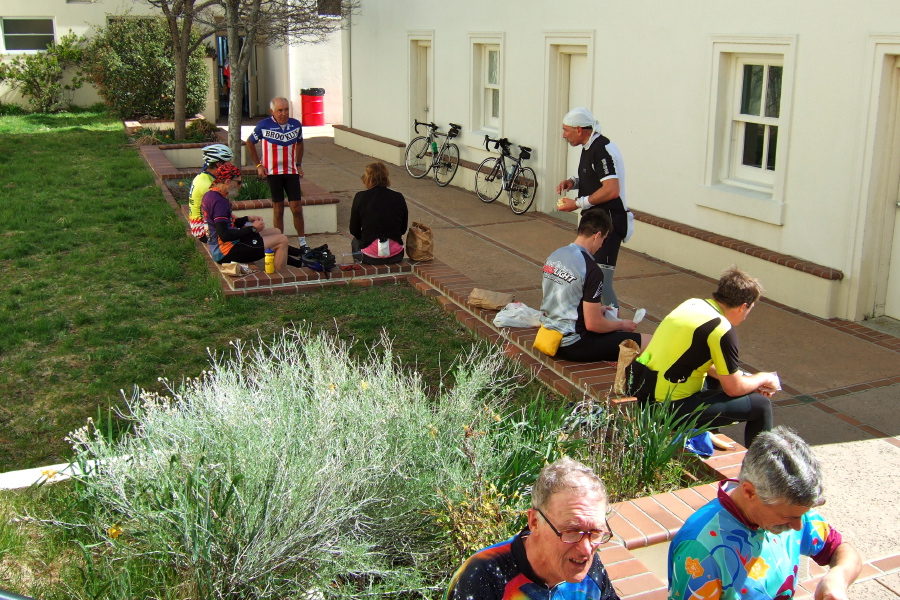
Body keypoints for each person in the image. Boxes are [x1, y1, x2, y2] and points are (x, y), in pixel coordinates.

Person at [668, 426, 861, 600]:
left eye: (802, 515)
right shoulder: (700, 548)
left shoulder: (790, 510)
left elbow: (842, 549)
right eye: (788, 517)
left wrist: (838, 577)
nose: (799, 526)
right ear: (750, 492)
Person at [631, 266, 778, 447]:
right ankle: (760, 471)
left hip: (642, 393)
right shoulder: (722, 329)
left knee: (719, 379)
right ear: (743, 307)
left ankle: (706, 428)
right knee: (761, 405)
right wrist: (762, 378)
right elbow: (734, 389)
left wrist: (748, 383)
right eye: (750, 309)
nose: (747, 316)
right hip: (666, 410)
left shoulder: (692, 304)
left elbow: (700, 361)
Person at [446, 457, 620, 600]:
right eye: (571, 532)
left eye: (595, 533)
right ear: (534, 522)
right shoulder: (483, 576)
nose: (586, 549)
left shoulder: (587, 566)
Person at [540, 210, 650, 362]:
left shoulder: (555, 255)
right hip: (573, 345)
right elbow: (593, 325)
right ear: (597, 235)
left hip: (549, 337)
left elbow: (565, 298)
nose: (601, 246)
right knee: (648, 342)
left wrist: (597, 309)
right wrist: (621, 325)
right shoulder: (591, 269)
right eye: (603, 240)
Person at [555, 107, 630, 313]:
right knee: (589, 278)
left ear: (579, 129)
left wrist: (577, 203)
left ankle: (617, 328)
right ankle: (593, 323)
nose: (563, 135)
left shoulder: (602, 149)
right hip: (594, 222)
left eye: (566, 130)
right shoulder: (589, 147)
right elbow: (595, 179)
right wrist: (574, 182)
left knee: (602, 284)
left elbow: (612, 190)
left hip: (609, 223)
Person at [200, 163, 291, 270]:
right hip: (225, 252)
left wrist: (247, 219)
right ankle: (279, 279)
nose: (240, 185)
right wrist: (253, 229)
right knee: (282, 240)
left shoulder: (210, 194)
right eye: (238, 182)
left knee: (276, 231)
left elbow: (226, 224)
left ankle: (296, 262)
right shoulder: (220, 202)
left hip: (219, 247)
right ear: (228, 182)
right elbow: (224, 235)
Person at [245, 97, 308, 250]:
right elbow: (249, 142)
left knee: (296, 208)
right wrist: (259, 165)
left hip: (291, 171)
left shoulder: (296, 125)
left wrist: (298, 164)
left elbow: (300, 143)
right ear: (272, 111)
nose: (284, 113)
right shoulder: (263, 125)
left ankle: (303, 242)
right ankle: (279, 242)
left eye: (286, 109)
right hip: (273, 173)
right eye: (280, 110)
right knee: (278, 209)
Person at [349, 162, 408, 265]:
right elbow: (403, 229)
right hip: (396, 255)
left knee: (355, 241)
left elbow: (354, 229)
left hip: (369, 257)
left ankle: (362, 269)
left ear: (369, 179)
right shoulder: (398, 197)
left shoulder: (360, 197)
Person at [188, 144, 234, 242]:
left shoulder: (204, 176)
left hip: (201, 226)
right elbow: (219, 214)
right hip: (204, 231)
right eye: (228, 162)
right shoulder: (208, 185)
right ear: (219, 164)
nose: (231, 165)